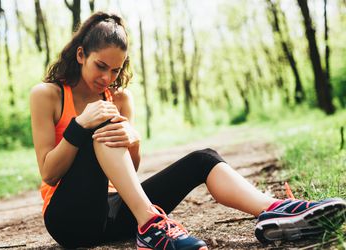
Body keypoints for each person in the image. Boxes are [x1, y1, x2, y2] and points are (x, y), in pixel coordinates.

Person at [30, 11, 346, 250]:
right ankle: (152, 226)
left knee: (202, 158)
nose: (108, 78)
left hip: (114, 215)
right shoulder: (48, 95)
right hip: (68, 220)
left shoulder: (120, 98)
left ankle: (276, 210)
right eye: (101, 66)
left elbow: (125, 173)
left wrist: (135, 142)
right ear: (81, 54)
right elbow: (49, 173)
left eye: (116, 70)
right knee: (103, 128)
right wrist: (79, 124)